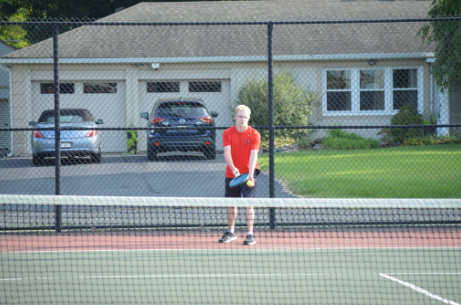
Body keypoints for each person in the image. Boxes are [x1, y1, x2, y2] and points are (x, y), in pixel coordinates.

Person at [219, 105, 261, 245]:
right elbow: (227, 153)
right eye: (240, 116)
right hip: (232, 174)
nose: (242, 119)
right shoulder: (227, 133)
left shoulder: (254, 134)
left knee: (248, 204)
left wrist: (250, 175)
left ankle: (250, 234)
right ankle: (231, 232)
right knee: (231, 204)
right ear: (235, 117)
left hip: (248, 174)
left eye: (245, 117)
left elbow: (253, 155)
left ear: (248, 118)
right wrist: (233, 168)